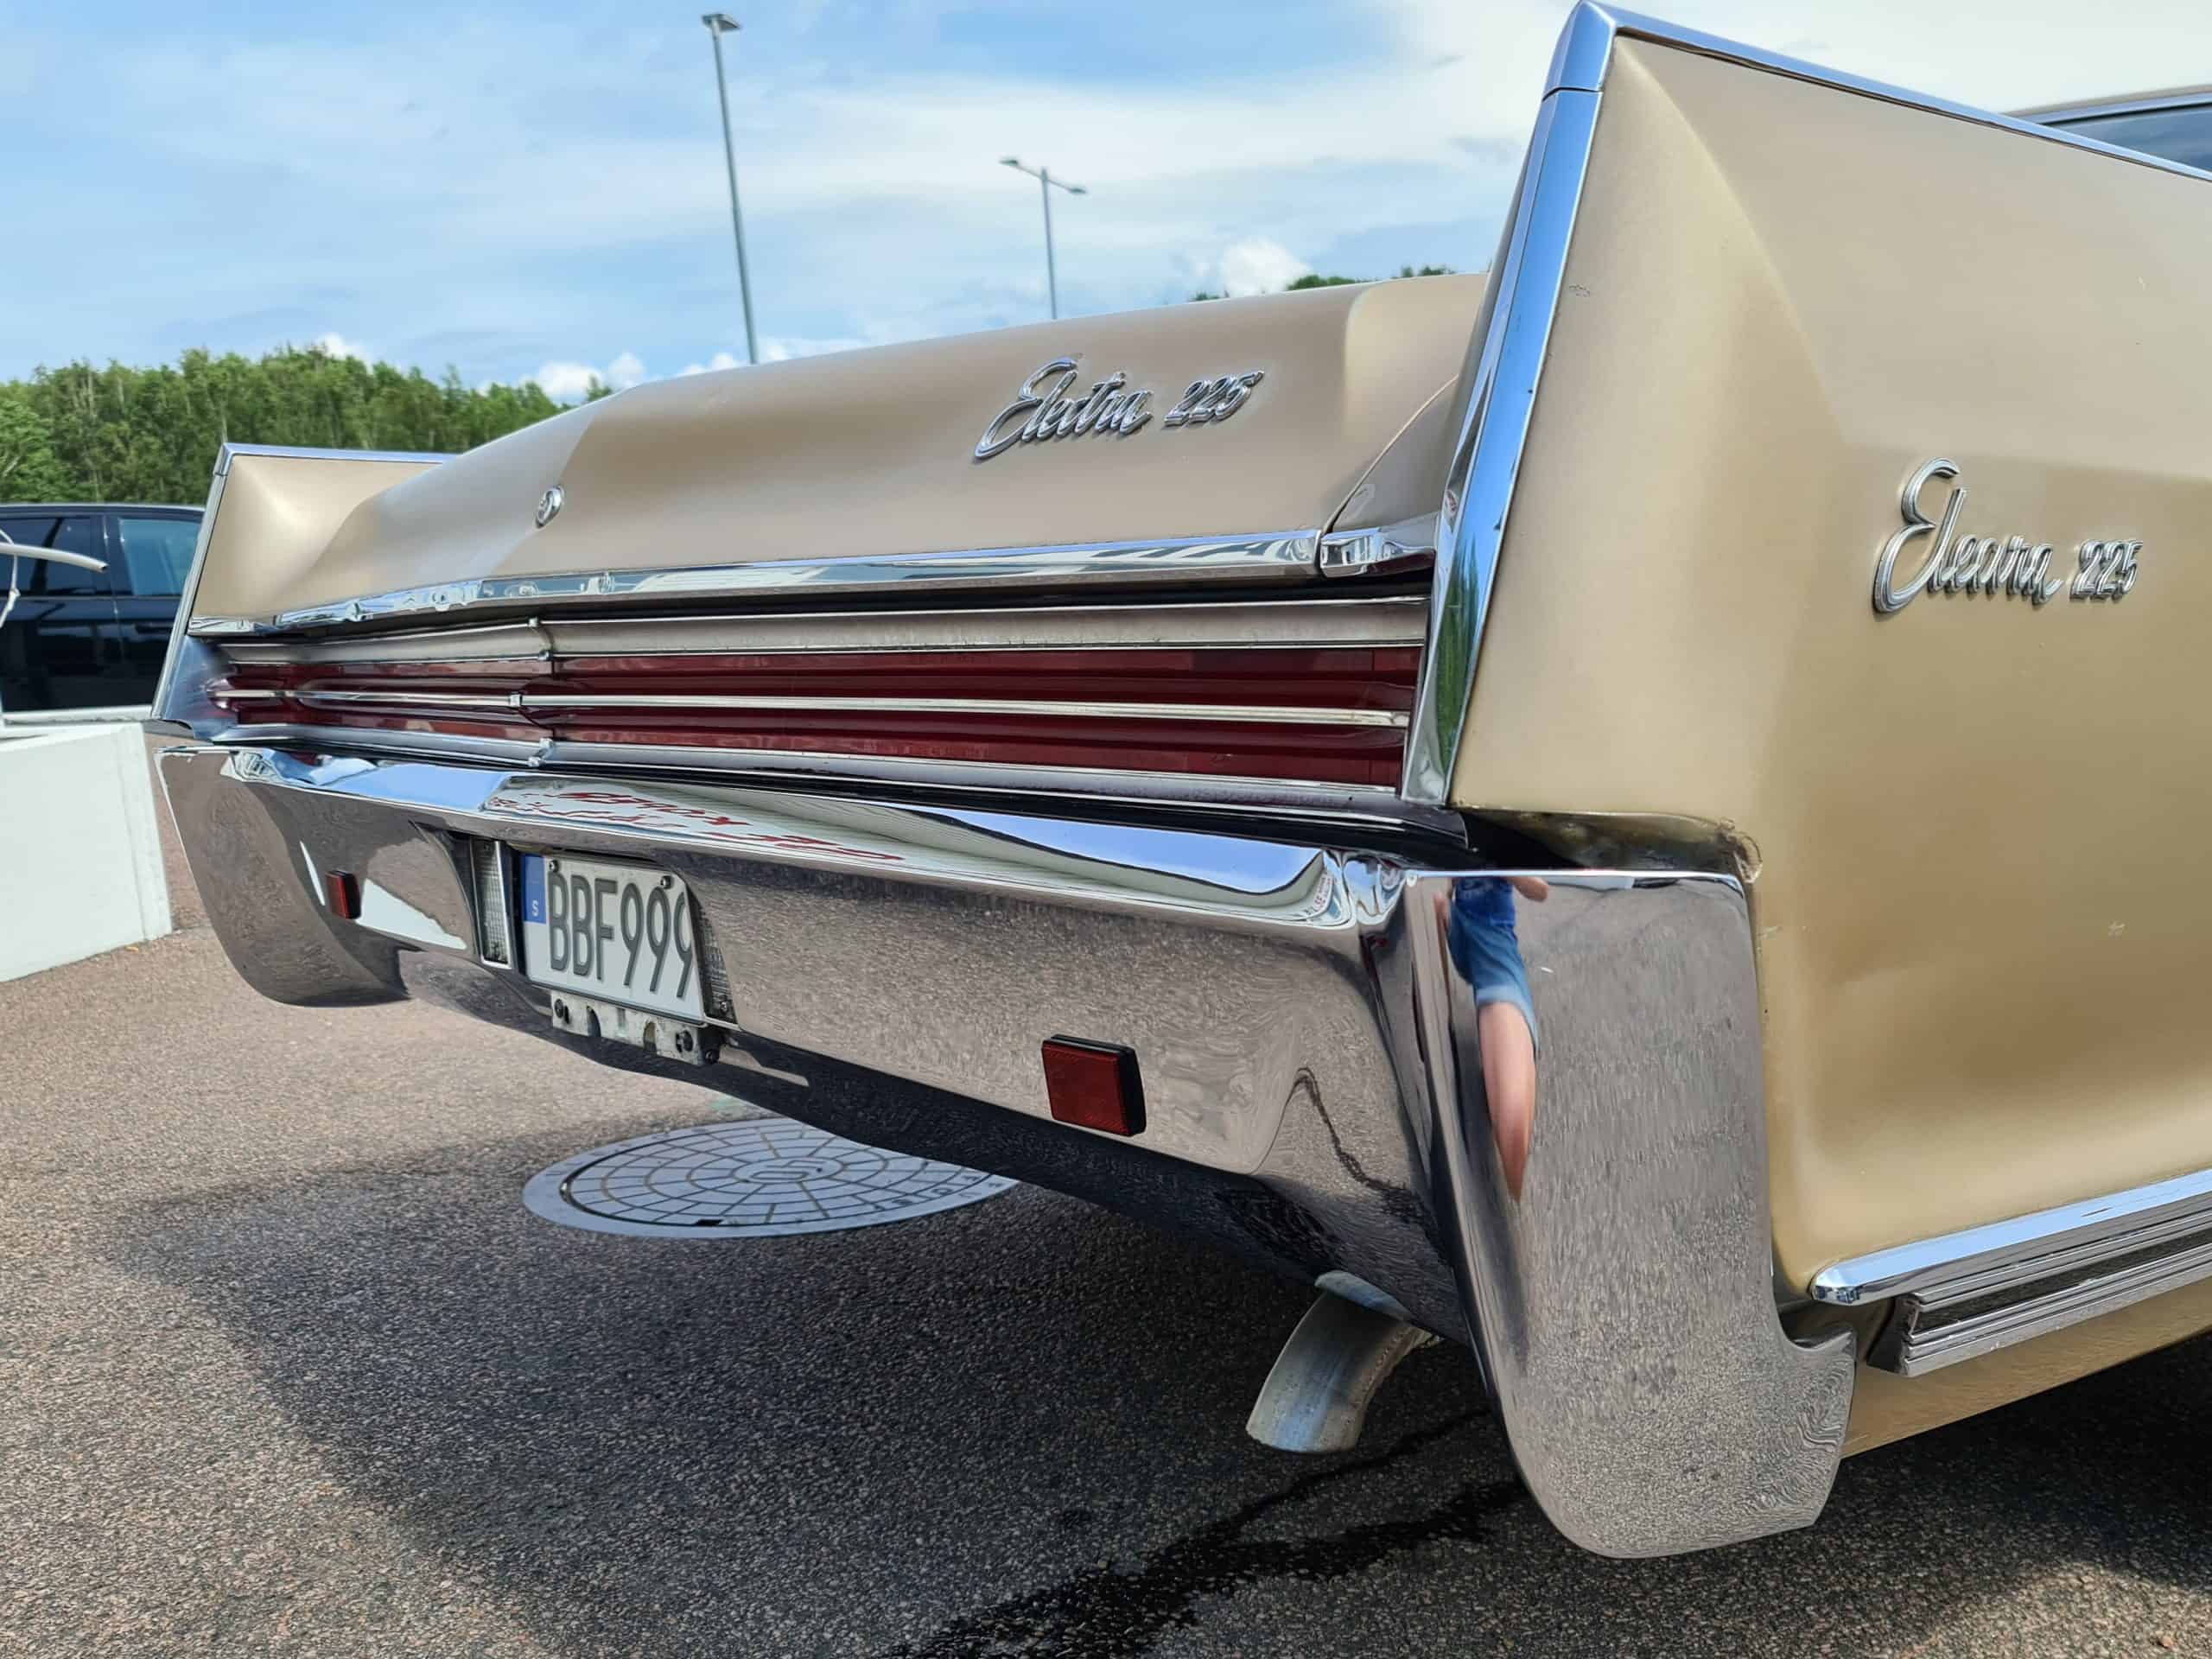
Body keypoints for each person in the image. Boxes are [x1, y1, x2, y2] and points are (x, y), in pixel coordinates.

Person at [1447, 874, 1548, 1198]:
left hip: (1495, 961)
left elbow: (1540, 890)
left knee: (1512, 1125)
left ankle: (1514, 1208)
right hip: (1468, 943)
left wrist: (1506, 870)